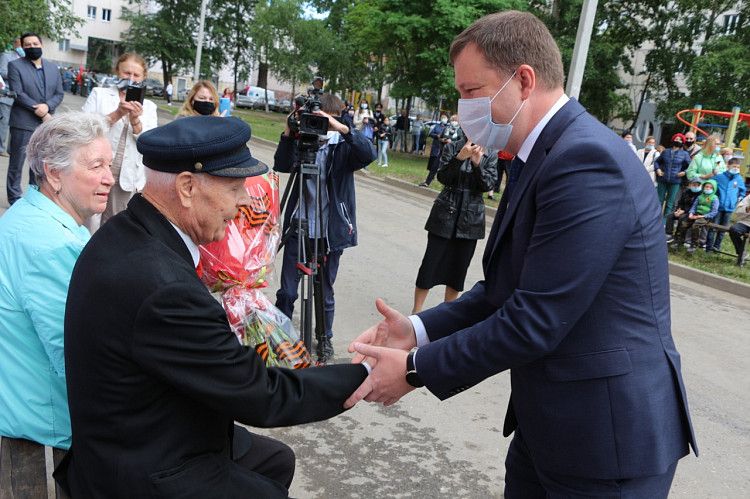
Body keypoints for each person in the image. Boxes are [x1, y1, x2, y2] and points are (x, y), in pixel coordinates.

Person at [345, 11, 696, 498]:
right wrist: (417, 330)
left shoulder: (585, 161)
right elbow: (505, 290)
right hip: (551, 426)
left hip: (606, 440)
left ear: (524, 80)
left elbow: (535, 318)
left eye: (471, 92)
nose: (463, 106)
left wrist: (413, 370)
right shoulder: (540, 152)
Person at [57, 116, 370, 498]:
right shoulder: (162, 287)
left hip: (138, 428)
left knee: (276, 459)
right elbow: (261, 395)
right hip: (139, 469)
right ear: (187, 186)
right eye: (236, 187)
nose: (245, 201)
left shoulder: (130, 231)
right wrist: (367, 374)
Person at [0, 113, 113, 453]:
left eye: (109, 164)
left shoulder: (29, 213)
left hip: (22, 400)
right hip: (46, 420)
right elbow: (77, 358)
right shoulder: (51, 245)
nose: (109, 178)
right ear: (53, 173)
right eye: (96, 167)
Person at [274, 93, 376, 363]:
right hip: (300, 226)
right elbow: (281, 164)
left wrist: (342, 128)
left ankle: (325, 338)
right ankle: (280, 337)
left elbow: (369, 154)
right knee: (287, 291)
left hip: (330, 232)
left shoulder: (342, 147)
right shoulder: (303, 141)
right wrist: (289, 131)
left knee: (324, 290)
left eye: (324, 120)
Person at [413, 135, 497, 313]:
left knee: (458, 271)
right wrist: (459, 158)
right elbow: (442, 177)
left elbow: (488, 184)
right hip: (445, 213)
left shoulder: (490, 154)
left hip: (471, 219)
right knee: (430, 264)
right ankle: (416, 311)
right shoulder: (452, 147)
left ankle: (446, 313)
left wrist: (477, 164)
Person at [82, 52, 158, 231]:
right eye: (126, 73)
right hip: (97, 167)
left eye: (136, 75)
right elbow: (83, 128)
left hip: (128, 174)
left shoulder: (149, 107)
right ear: (117, 72)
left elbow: (149, 144)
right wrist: (117, 114)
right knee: (89, 220)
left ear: (143, 77)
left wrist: (135, 120)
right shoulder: (99, 94)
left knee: (116, 224)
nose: (131, 78)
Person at [5, 32, 64, 205]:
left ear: (41, 44)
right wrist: (40, 110)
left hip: (45, 124)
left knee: (39, 164)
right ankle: (14, 198)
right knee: (17, 163)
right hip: (23, 122)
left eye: (35, 43)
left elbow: (59, 93)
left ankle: (35, 196)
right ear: (23, 48)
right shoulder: (14, 65)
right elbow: (18, 92)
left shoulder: (53, 68)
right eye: (28, 45)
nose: (32, 47)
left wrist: (48, 106)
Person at [706, 157, 746, 252]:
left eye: (738, 167)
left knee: (723, 229)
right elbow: (711, 184)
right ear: (728, 166)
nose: (736, 168)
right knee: (713, 227)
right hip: (718, 207)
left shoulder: (739, 179)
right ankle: (709, 247)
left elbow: (742, 190)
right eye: (734, 166)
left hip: (730, 208)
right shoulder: (720, 177)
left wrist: (740, 197)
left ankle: (717, 247)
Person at [654, 133, 692, 223]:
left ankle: (665, 222)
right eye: (676, 139)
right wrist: (658, 169)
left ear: (682, 142)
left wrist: (684, 172)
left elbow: (691, 166)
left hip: (675, 181)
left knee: (670, 203)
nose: (678, 141)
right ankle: (655, 220)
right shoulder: (665, 151)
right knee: (659, 200)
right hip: (663, 179)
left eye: (680, 140)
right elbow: (657, 162)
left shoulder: (685, 154)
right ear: (673, 140)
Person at [0, 37, 23, 158]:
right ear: (15, 44)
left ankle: (11, 149)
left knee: (16, 125)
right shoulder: (6, 56)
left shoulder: (26, 59)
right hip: (6, 95)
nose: (22, 47)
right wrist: (16, 75)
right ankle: (0, 148)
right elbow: (2, 71)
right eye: (20, 44)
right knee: (3, 124)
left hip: (21, 98)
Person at [666, 176, 703, 244]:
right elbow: (680, 202)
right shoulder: (686, 192)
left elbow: (695, 206)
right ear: (690, 185)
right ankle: (669, 234)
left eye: (698, 185)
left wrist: (684, 211)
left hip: (692, 213)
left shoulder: (700, 195)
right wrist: (678, 210)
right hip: (682, 211)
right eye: (694, 185)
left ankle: (678, 238)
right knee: (670, 216)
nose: (696, 186)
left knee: (682, 218)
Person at [685, 179, 719, 253]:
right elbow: (694, 206)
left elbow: (714, 212)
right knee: (685, 221)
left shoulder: (714, 198)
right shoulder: (700, 196)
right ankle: (684, 240)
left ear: (714, 189)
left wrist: (702, 216)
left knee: (696, 224)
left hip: (706, 217)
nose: (708, 188)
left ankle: (695, 243)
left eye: (710, 187)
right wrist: (691, 213)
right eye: (706, 187)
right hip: (697, 214)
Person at [418, 113, 449, 187]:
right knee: (434, 166)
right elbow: (433, 134)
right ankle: (427, 182)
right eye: (442, 117)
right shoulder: (439, 126)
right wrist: (439, 137)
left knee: (447, 169)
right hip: (439, 149)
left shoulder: (451, 128)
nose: (443, 119)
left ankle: (447, 186)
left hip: (448, 152)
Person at [729, 193, 750, 266]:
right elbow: (738, 210)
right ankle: (742, 253)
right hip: (746, 222)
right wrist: (747, 209)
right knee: (734, 229)